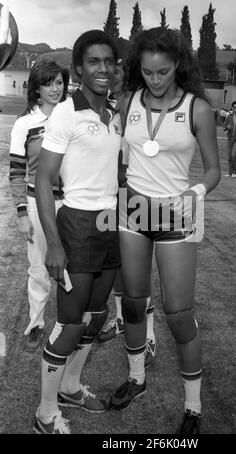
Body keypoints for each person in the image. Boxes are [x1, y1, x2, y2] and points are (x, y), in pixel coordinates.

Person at [109, 27, 220, 434]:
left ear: (178, 66)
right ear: (139, 68)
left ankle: (193, 407)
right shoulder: (128, 102)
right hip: (133, 213)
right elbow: (120, 154)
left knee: (178, 315)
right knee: (134, 304)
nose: (155, 79)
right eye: (148, 72)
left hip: (176, 218)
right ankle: (137, 379)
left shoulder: (198, 109)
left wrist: (194, 192)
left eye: (164, 71)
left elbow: (213, 171)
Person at [33, 30, 122, 434]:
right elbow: (44, 180)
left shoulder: (116, 113)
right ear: (80, 68)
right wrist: (53, 244)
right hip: (77, 223)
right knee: (70, 322)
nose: (103, 68)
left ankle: (70, 386)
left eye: (109, 61)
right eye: (93, 62)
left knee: (95, 313)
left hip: (109, 222)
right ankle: (45, 413)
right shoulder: (66, 112)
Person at [96, 58, 157, 369]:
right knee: (117, 261)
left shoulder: (140, 102)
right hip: (110, 193)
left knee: (138, 271)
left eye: (117, 67)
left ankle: (149, 336)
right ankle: (121, 319)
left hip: (136, 193)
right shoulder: (104, 103)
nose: (110, 73)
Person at [9, 60, 69, 352]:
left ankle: (72, 322)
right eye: (48, 83)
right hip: (36, 203)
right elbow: (17, 172)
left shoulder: (72, 117)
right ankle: (36, 323)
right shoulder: (24, 124)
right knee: (38, 266)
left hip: (71, 203)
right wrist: (22, 213)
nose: (55, 89)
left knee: (76, 265)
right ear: (36, 88)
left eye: (59, 82)